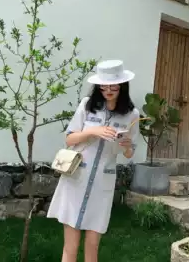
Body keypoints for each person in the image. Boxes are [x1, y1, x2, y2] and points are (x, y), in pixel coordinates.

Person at [47, 60, 140, 262]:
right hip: (76, 178)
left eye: (113, 86)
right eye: (103, 86)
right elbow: (69, 139)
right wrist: (93, 131)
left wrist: (126, 145)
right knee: (70, 247)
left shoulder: (132, 114)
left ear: (122, 85)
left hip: (101, 183)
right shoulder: (87, 106)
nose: (108, 90)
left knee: (92, 246)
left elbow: (129, 153)